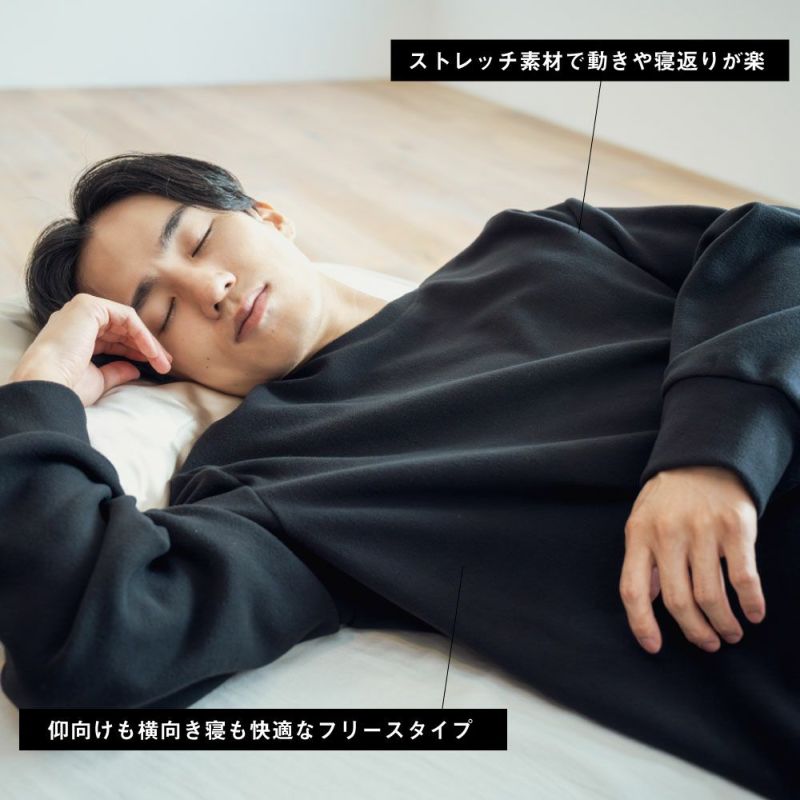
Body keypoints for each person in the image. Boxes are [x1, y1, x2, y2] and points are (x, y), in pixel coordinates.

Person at [1, 152, 798, 799]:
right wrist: (41, 394)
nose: (209, 289)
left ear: (266, 216)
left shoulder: (538, 242)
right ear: (150, 362)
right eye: (160, 311)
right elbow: (95, 649)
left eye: (202, 240)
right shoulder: (261, 481)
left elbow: (773, 245)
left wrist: (712, 453)